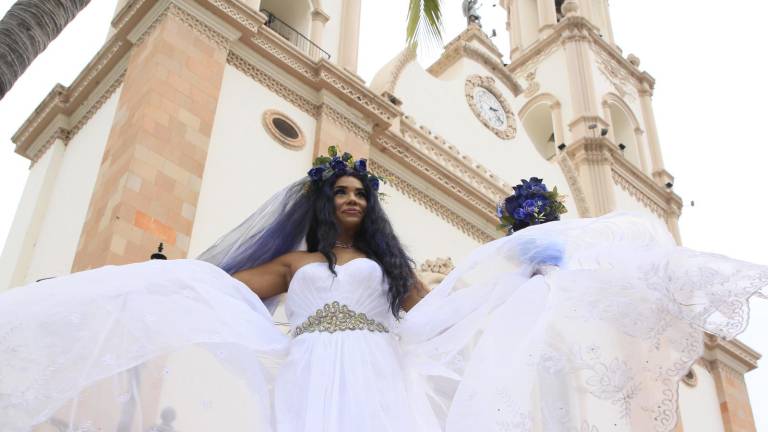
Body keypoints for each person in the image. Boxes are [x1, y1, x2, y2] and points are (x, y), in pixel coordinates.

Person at [0, 147, 765, 432]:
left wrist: (517, 268)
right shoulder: (293, 270)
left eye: (361, 194)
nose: (352, 200)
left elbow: (446, 313)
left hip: (371, 374)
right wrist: (164, 285)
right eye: (339, 192)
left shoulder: (392, 277)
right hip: (307, 372)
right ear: (319, 202)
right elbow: (220, 288)